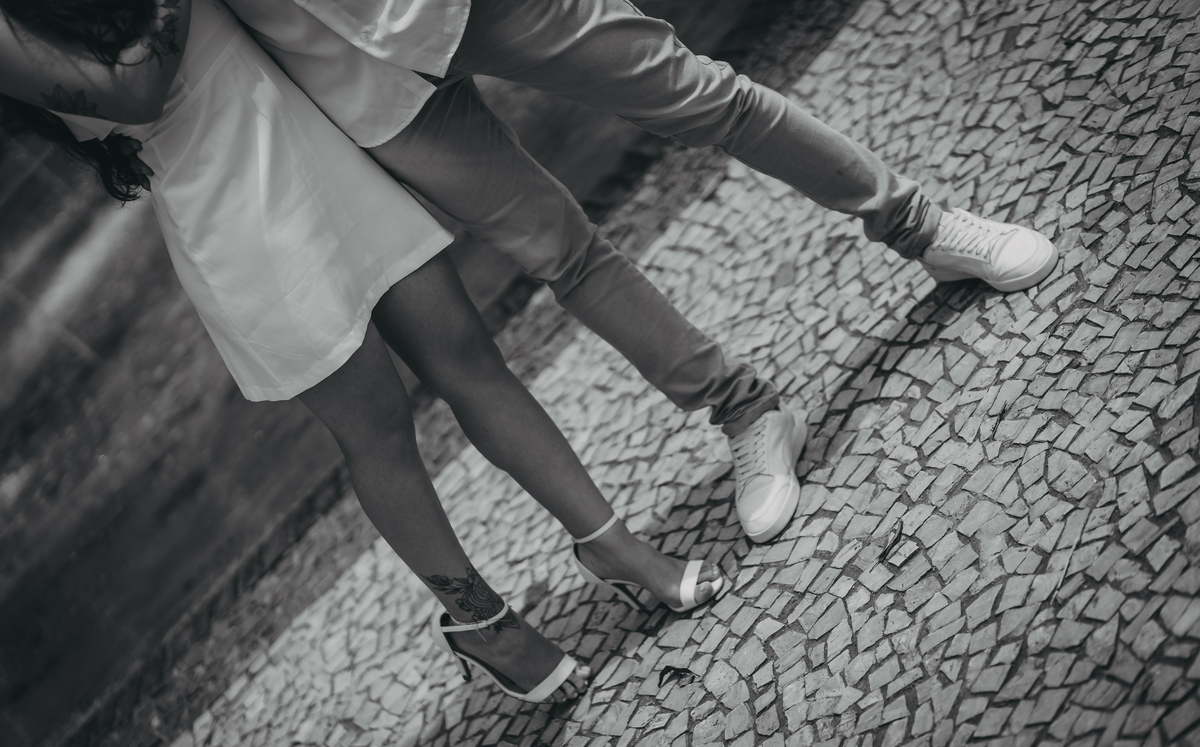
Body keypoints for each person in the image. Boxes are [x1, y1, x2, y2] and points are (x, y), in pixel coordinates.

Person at [0, 0, 729, 705]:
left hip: (320, 158)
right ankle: (484, 625)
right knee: (381, 433)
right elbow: (135, 88)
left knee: (472, 361)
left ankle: (612, 546)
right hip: (237, 229)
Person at [220, 0, 1060, 544]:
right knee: (559, 254)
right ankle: (748, 412)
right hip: (348, 80)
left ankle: (923, 226)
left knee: (704, 97)